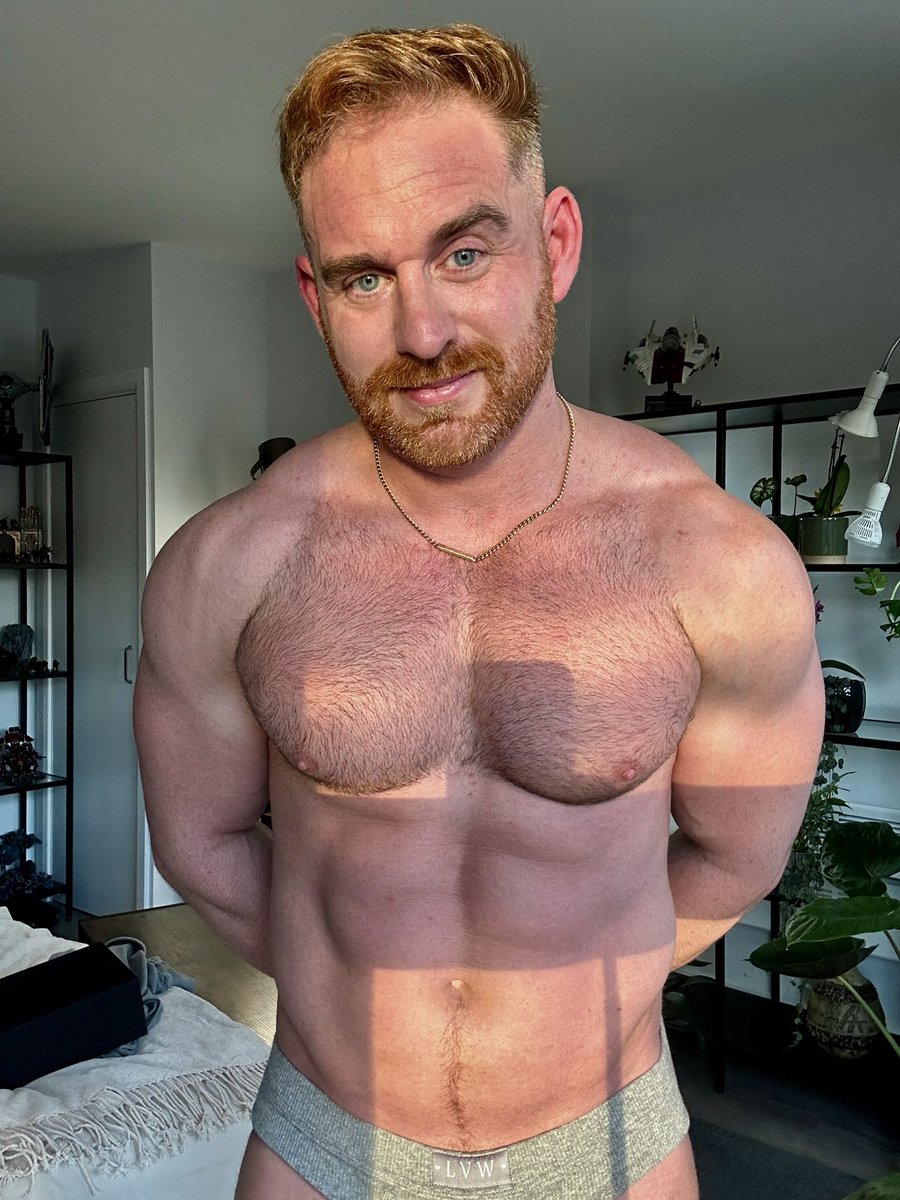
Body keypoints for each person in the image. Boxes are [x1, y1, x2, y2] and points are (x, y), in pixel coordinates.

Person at [133, 23, 824, 1200]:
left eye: (463, 252)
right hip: (324, 1132)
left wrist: (570, 995)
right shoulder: (229, 565)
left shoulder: (720, 564)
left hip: (604, 1137)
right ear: (315, 296)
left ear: (554, 243)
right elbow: (198, 842)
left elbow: (737, 857)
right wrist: (346, 978)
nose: (422, 333)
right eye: (364, 276)